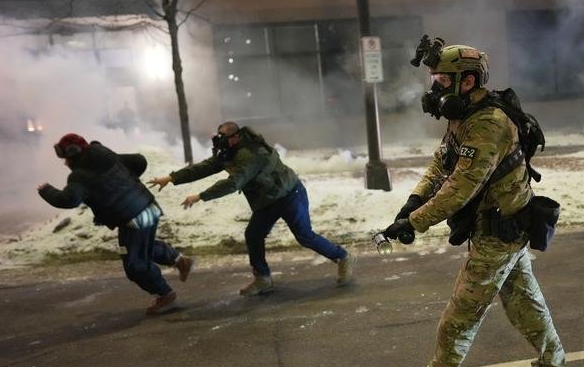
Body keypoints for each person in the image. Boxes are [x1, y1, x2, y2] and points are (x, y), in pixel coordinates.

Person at [381, 39, 573, 367]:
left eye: (441, 80)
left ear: (466, 81)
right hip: (500, 229)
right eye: (434, 80)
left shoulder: (489, 123)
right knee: (526, 307)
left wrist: (415, 223)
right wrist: (413, 202)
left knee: (459, 318)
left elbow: (460, 187)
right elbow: (441, 164)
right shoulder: (463, 115)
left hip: (499, 233)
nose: (435, 88)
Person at [148, 122, 354, 296]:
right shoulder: (230, 152)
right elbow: (204, 167)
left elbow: (233, 183)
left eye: (223, 137)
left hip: (290, 195)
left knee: (304, 236)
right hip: (267, 201)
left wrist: (200, 196)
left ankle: (342, 257)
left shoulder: (250, 154)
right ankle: (263, 279)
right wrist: (171, 178)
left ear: (235, 137)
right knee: (253, 235)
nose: (219, 142)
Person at [38, 134, 195, 315]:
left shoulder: (79, 177)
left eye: (65, 158)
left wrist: (46, 190)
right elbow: (139, 161)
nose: (65, 163)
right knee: (142, 246)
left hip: (133, 218)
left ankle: (166, 296)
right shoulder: (106, 155)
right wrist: (125, 182)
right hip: (149, 207)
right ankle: (179, 261)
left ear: (73, 155)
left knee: (135, 265)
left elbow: (69, 200)